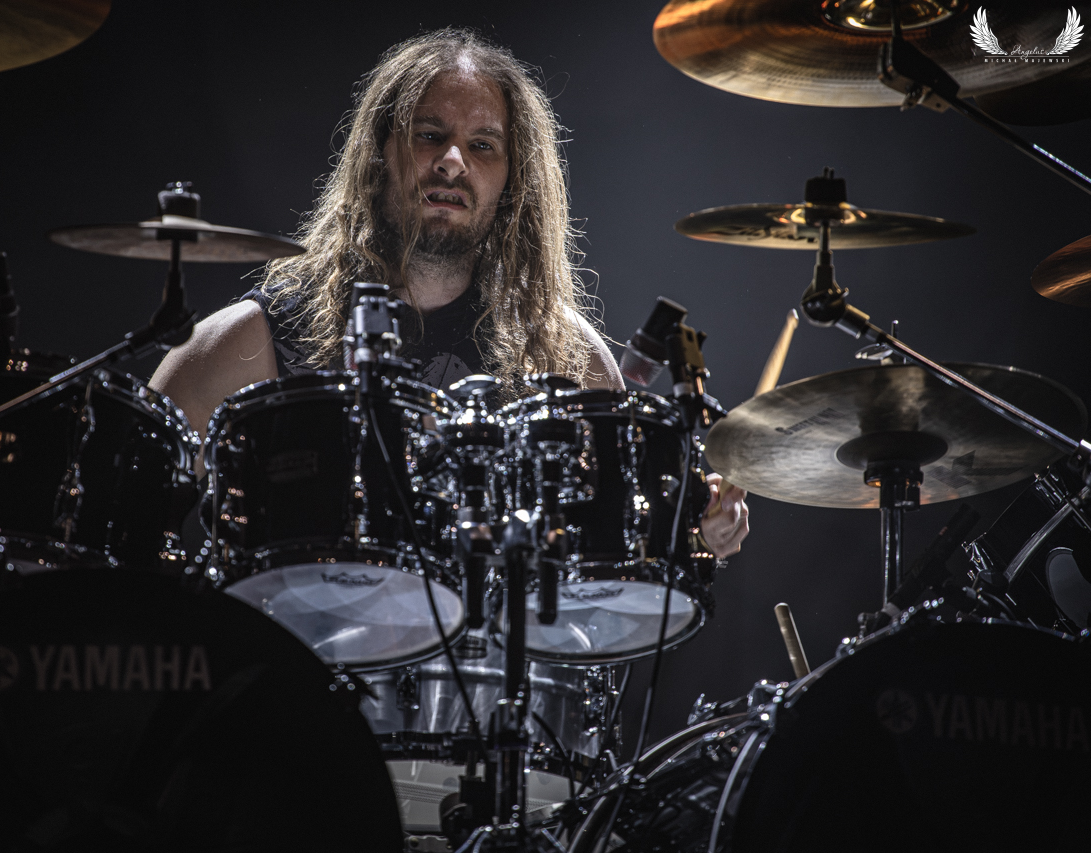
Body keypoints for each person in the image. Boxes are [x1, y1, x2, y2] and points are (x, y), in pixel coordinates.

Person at [150, 28, 749, 558]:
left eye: (484, 145)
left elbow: (622, 552)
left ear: (512, 180)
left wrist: (700, 533)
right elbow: (123, 521)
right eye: (429, 134)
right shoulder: (249, 344)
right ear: (379, 156)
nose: (453, 161)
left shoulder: (566, 360)